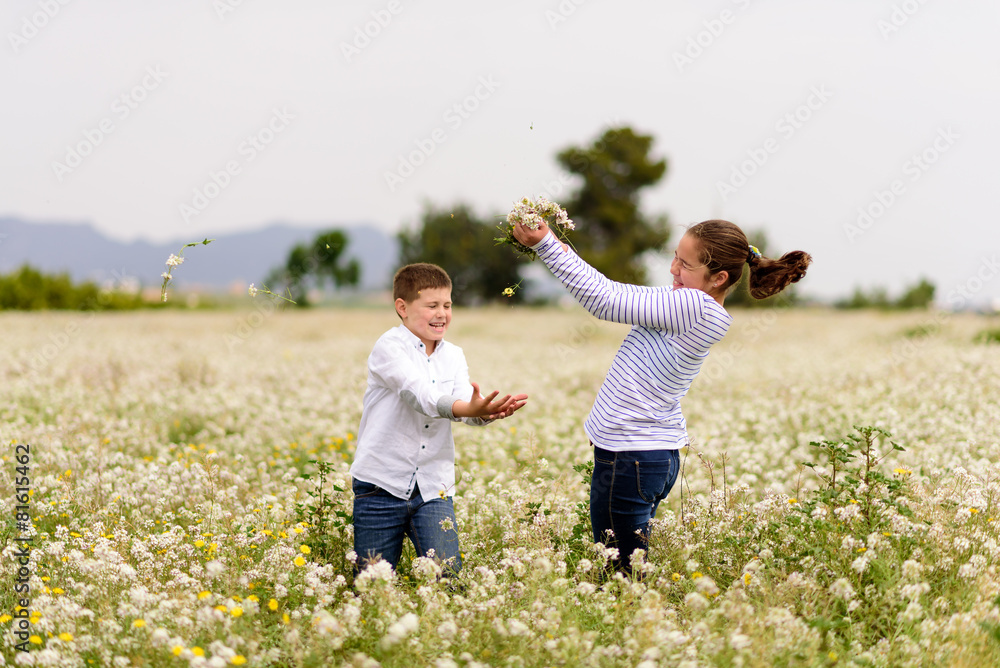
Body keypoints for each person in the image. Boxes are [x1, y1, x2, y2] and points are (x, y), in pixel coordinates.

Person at [513, 218, 811, 574]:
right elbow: (612, 290)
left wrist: (545, 244)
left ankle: (635, 624)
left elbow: (604, 302)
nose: (673, 269)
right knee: (624, 566)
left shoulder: (694, 308)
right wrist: (557, 246)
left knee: (621, 573)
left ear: (719, 279)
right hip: (643, 455)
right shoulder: (688, 303)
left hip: (632, 457)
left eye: (685, 264)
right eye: (675, 257)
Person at [350, 262, 528, 576]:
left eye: (447, 305)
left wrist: (485, 413)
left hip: (434, 486)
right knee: (372, 587)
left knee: (448, 581)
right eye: (431, 305)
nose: (442, 313)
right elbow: (418, 394)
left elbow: (462, 405)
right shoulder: (388, 348)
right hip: (380, 485)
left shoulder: (453, 354)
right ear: (402, 308)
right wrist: (468, 410)